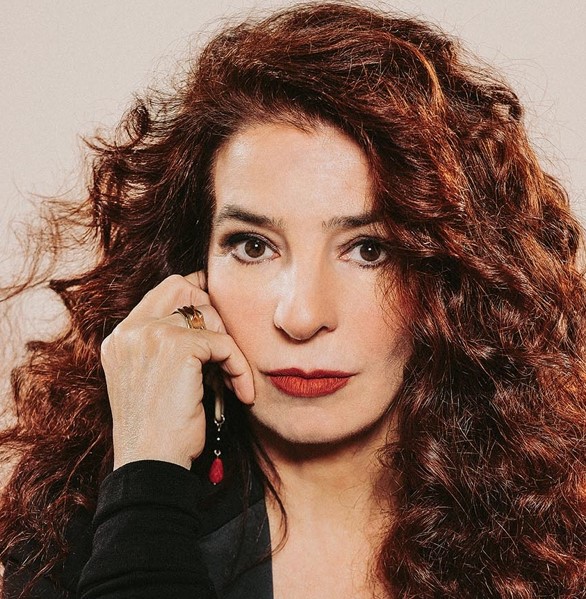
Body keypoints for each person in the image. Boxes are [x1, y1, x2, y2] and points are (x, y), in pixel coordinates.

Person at [1, 2, 585, 598]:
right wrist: (148, 473)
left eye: (369, 250)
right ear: (191, 273)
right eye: (253, 246)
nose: (302, 317)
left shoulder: (560, 539)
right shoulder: (83, 535)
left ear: (452, 277)